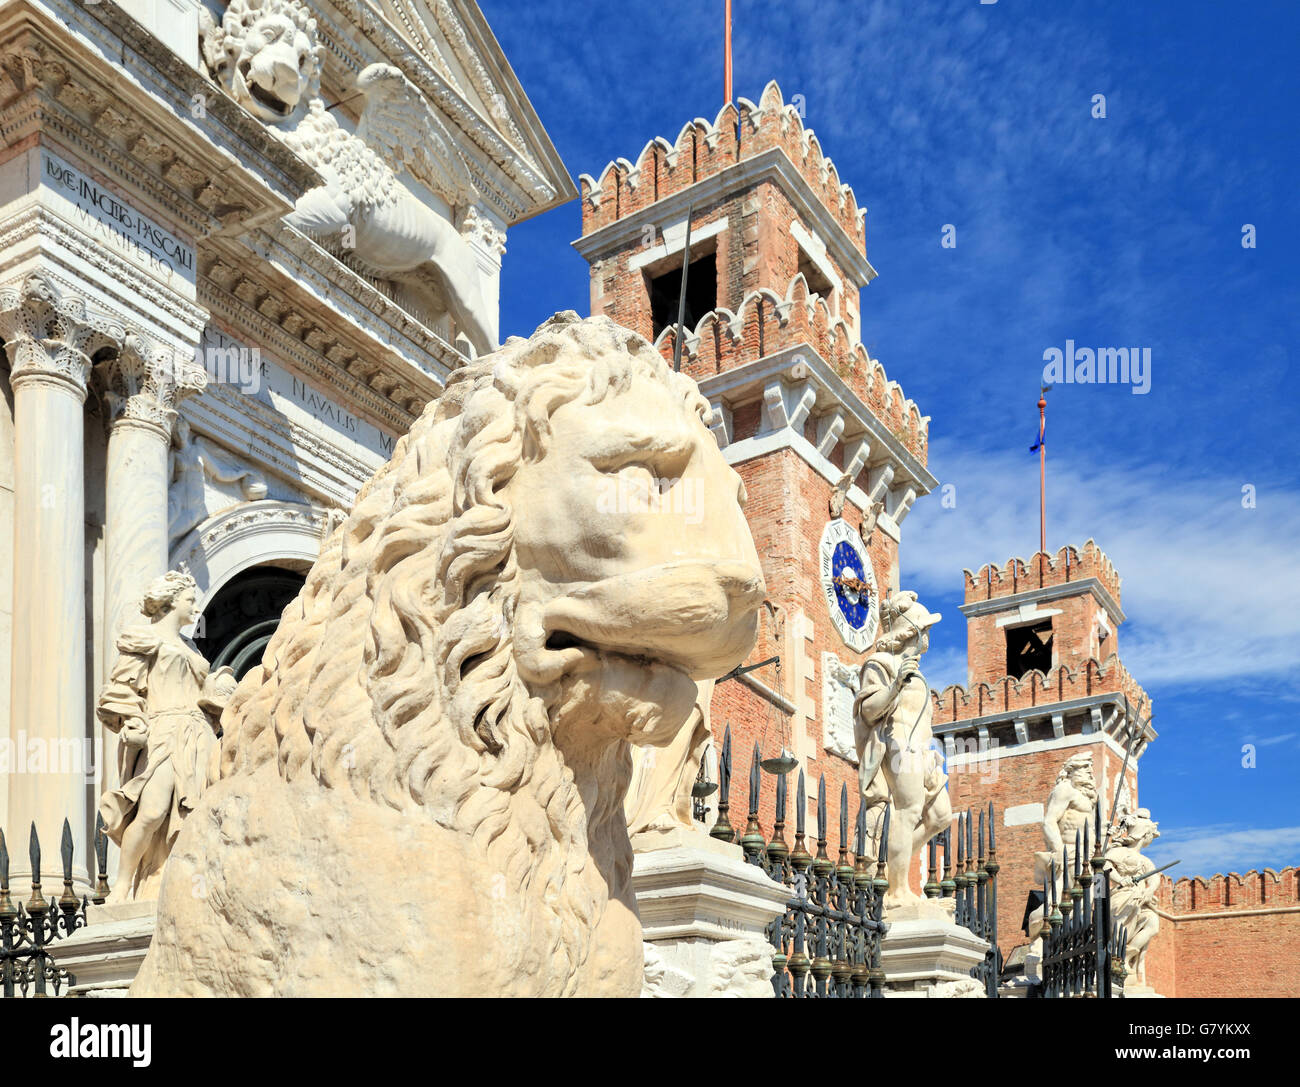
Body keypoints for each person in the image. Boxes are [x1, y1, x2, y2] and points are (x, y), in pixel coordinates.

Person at [97, 567, 235, 902]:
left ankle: (182, 887)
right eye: (189, 600)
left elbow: (203, 695)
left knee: (196, 817)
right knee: (152, 811)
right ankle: (122, 885)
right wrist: (132, 722)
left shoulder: (192, 648)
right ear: (170, 602)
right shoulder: (145, 639)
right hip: (164, 731)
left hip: (199, 735)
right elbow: (119, 690)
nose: (195, 607)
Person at [853, 590, 950, 910]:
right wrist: (894, 687)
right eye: (925, 630)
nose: (928, 638)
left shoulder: (917, 671)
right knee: (907, 811)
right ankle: (897, 890)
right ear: (911, 632)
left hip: (924, 752)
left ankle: (890, 862)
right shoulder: (880, 664)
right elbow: (868, 710)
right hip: (898, 747)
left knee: (940, 817)